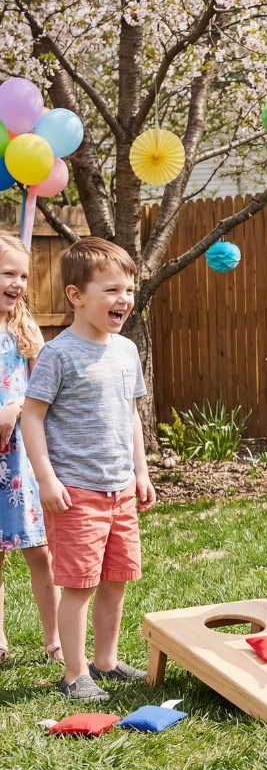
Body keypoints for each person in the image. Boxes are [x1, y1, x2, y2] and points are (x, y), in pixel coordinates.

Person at [22, 238, 156, 702]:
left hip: (120, 490)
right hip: (76, 492)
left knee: (116, 580)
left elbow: (131, 414)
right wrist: (46, 478)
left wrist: (141, 471)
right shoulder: (59, 355)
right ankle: (74, 672)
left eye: (129, 289)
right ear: (76, 295)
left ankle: (106, 660)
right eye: (112, 289)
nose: (124, 299)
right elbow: (31, 415)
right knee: (79, 585)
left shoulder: (126, 351)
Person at [0, 233, 61, 667]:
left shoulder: (24, 328)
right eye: (8, 273)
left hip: (19, 457)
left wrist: (15, 407)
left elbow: (41, 391)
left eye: (23, 275)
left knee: (39, 548)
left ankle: (55, 640)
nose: (18, 283)